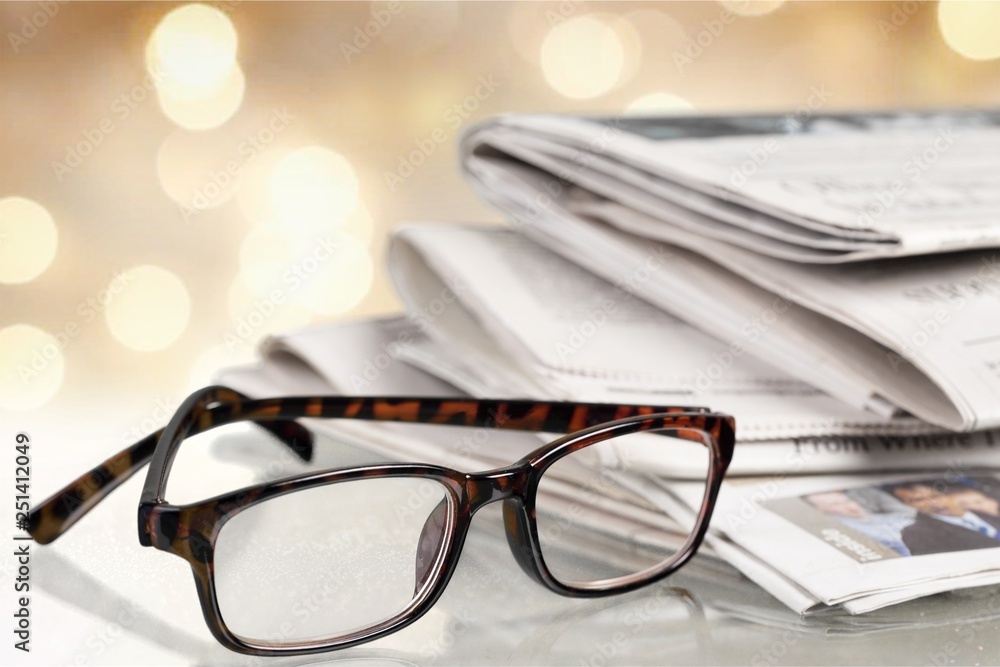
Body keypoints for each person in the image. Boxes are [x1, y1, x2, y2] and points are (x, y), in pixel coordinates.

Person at [888, 483, 1000, 555]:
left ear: (949, 495)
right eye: (918, 500)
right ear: (906, 505)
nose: (932, 502)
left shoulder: (983, 511)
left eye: (935, 495)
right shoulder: (916, 533)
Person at [804, 490, 914, 557]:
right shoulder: (849, 527)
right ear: (821, 512)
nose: (850, 507)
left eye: (847, 501)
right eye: (836, 505)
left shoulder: (871, 518)